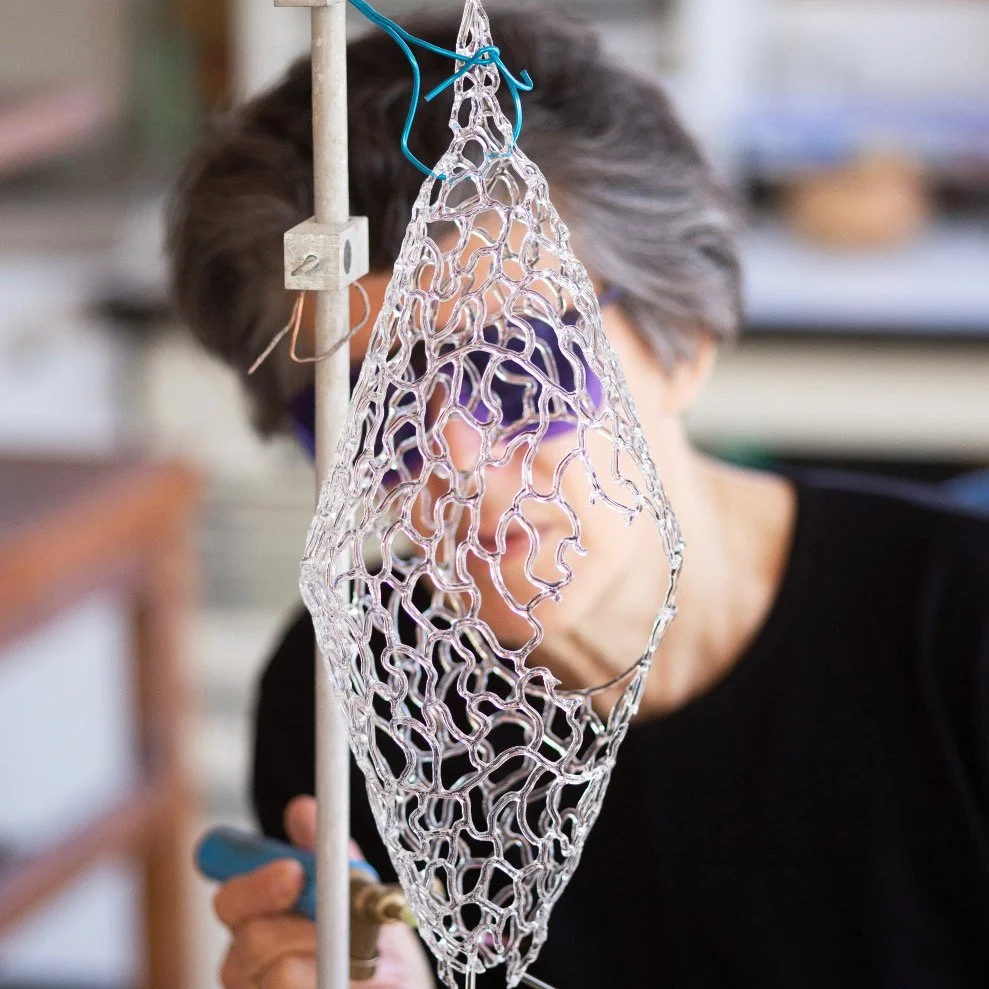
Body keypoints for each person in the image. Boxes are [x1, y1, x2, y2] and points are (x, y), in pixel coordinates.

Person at [168, 8, 989, 988]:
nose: (455, 465)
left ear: (682, 337)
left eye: (516, 374)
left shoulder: (959, 641)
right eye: (376, 412)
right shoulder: (344, 700)